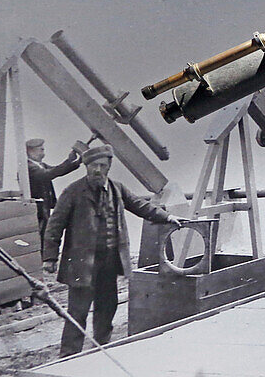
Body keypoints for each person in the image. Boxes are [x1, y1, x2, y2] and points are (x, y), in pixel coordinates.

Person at [42, 144, 183, 356]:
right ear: (86, 167)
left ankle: (102, 348)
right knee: (77, 311)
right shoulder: (73, 191)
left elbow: (139, 205)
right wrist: (50, 258)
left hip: (109, 261)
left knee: (107, 306)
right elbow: (55, 224)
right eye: (92, 166)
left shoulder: (117, 188)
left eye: (102, 165)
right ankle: (69, 355)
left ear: (109, 166)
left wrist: (168, 217)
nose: (97, 170)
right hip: (82, 264)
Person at [26, 138, 81, 251]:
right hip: (37, 209)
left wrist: (76, 162)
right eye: (40, 149)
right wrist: (70, 161)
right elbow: (50, 173)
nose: (43, 152)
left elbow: (56, 170)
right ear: (30, 151)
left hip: (43, 207)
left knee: (44, 234)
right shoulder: (29, 167)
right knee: (40, 236)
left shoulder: (39, 165)